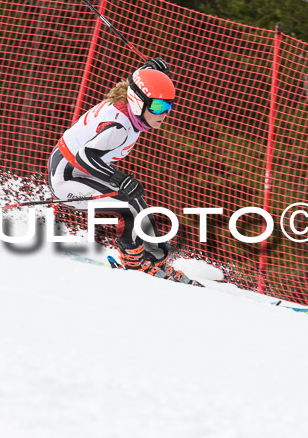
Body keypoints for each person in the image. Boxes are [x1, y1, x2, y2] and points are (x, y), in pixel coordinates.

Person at [48, 58, 198, 285]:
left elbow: (138, 79)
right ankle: (135, 264)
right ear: (139, 103)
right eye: (157, 107)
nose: (164, 113)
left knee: (139, 204)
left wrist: (152, 70)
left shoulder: (132, 98)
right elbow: (85, 156)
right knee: (127, 206)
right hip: (66, 177)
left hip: (83, 171)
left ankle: (156, 262)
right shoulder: (119, 127)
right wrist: (120, 179)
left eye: (168, 106)